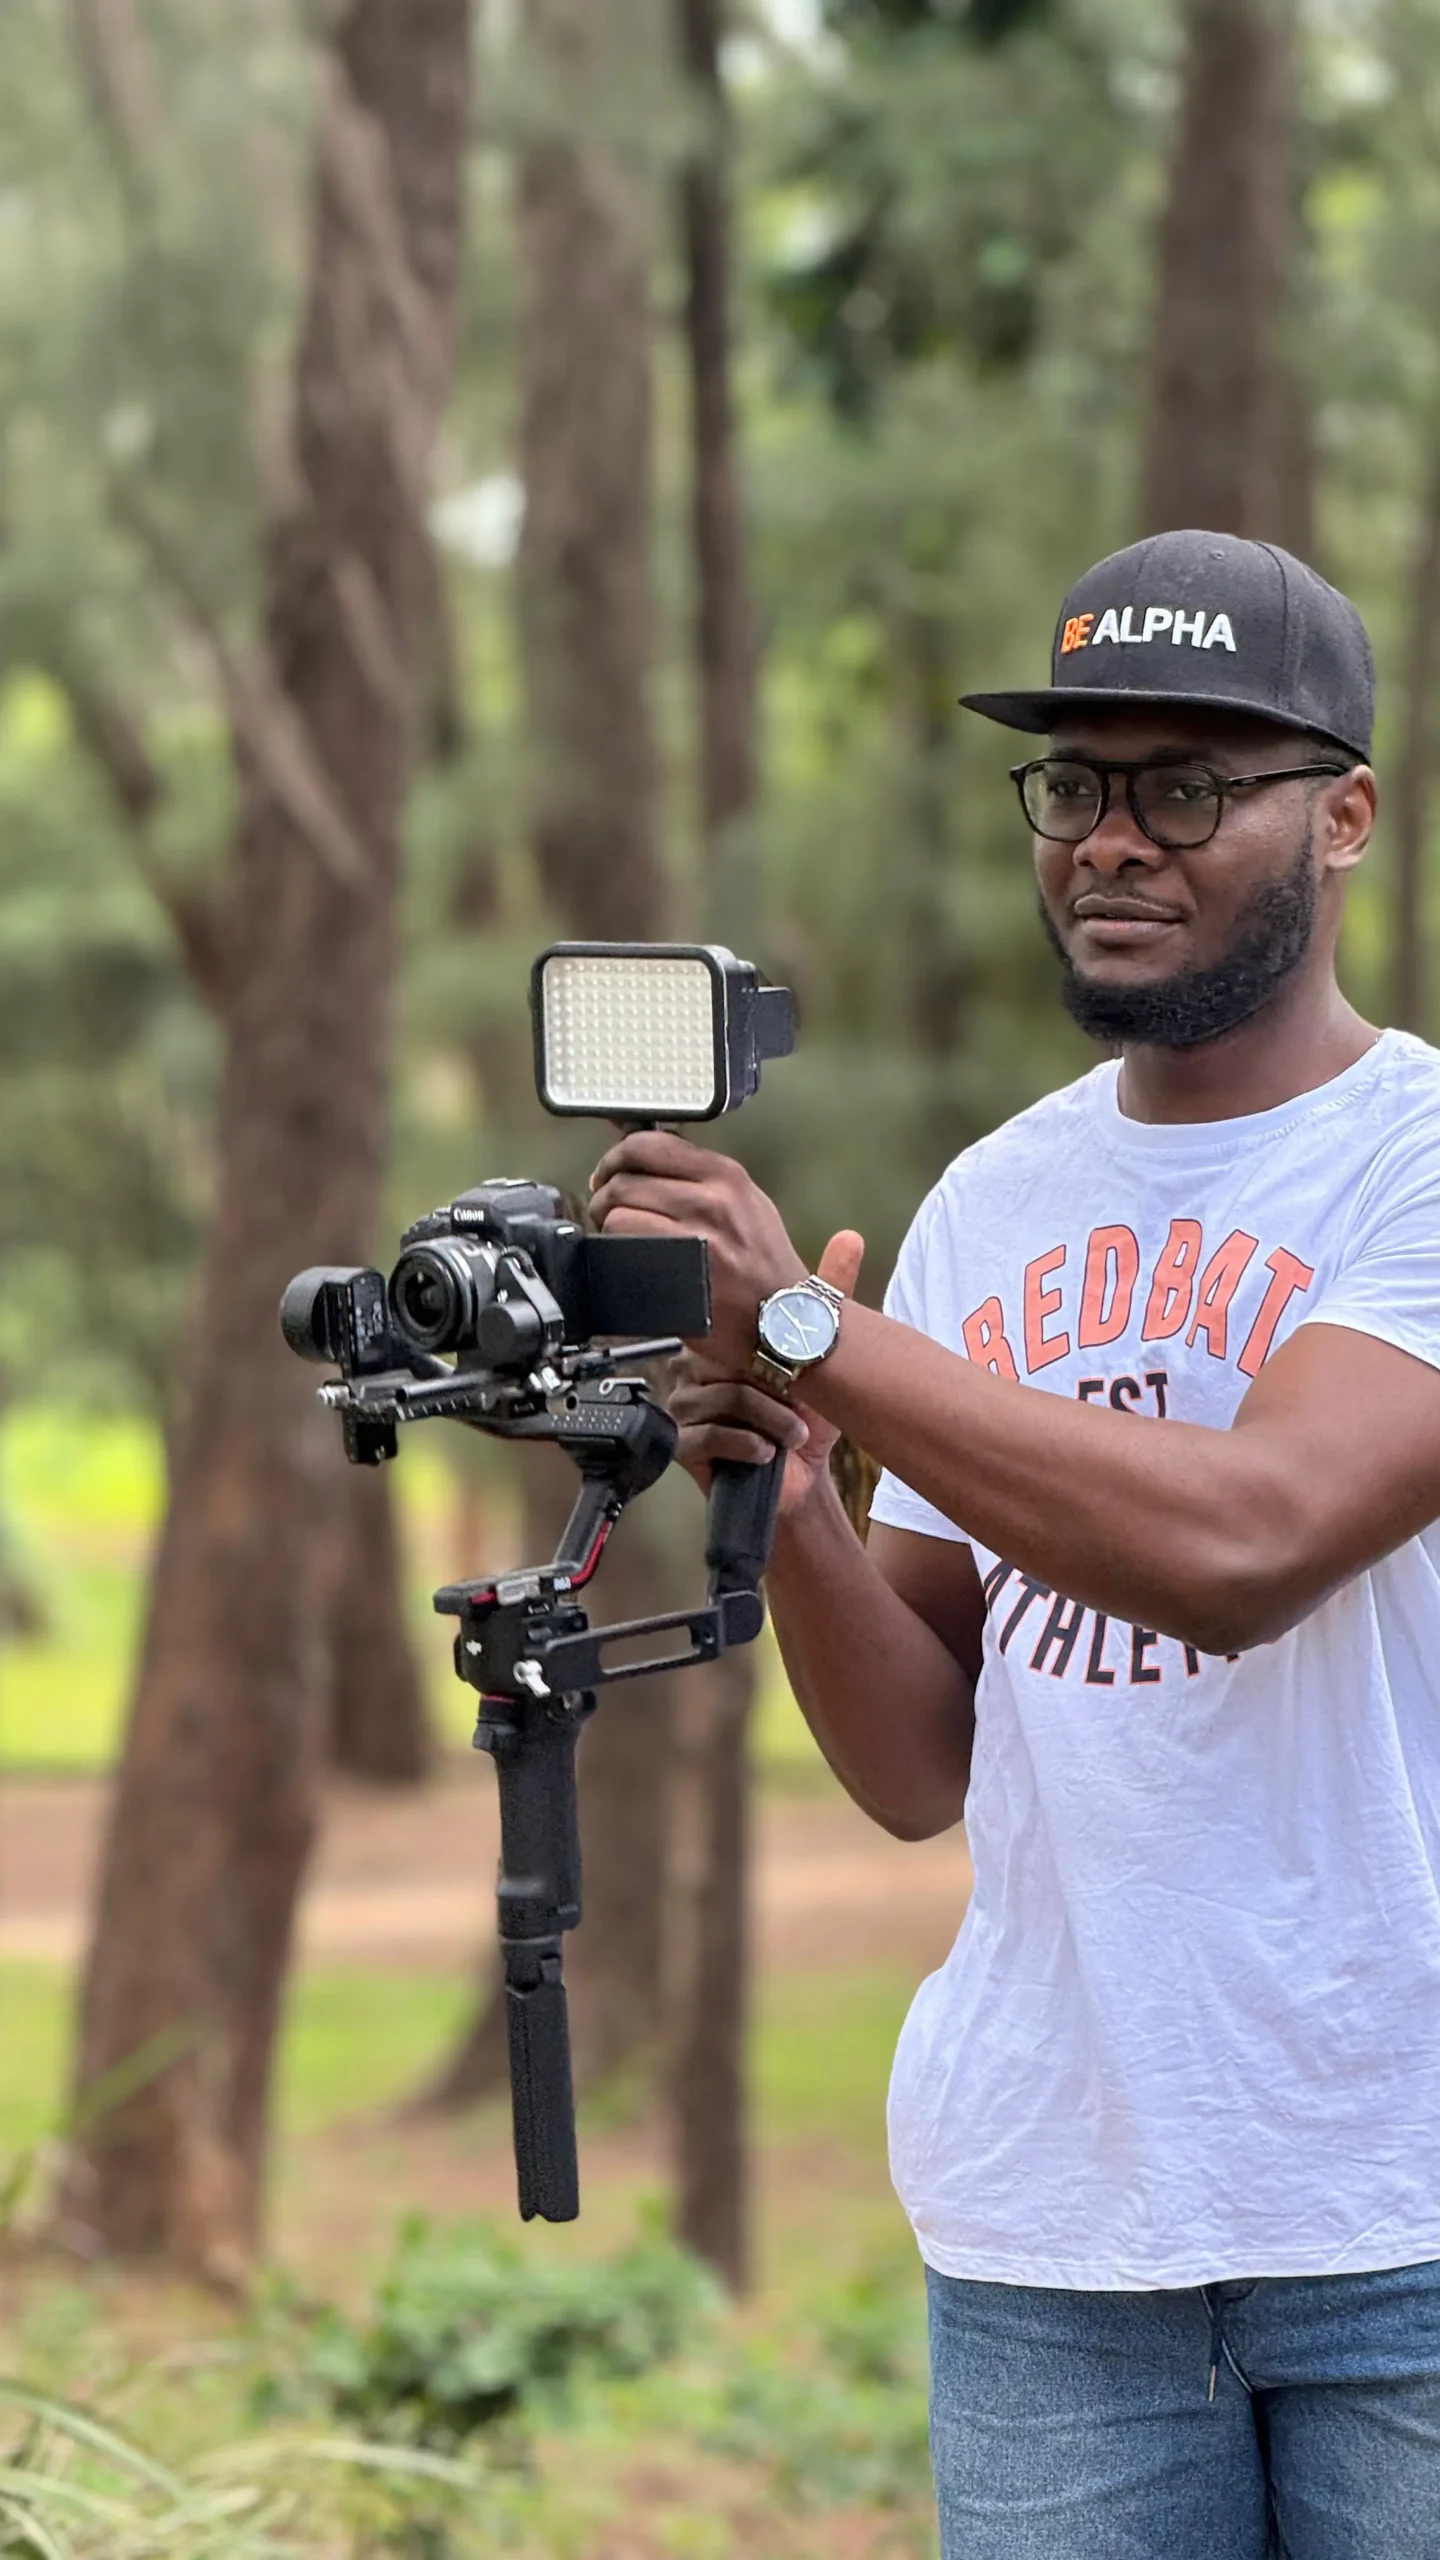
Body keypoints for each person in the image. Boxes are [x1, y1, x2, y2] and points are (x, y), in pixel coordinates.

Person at [588, 529, 1440, 2559]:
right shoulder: (1000, 1198)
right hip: (1055, 2229)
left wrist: (812, 1327)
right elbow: (916, 1763)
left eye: (1183, 785)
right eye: (1077, 785)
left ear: (1344, 817)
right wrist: (796, 1480)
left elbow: (1253, 1538)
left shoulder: (1414, 1157)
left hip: (1399, 2205)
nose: (1113, 840)